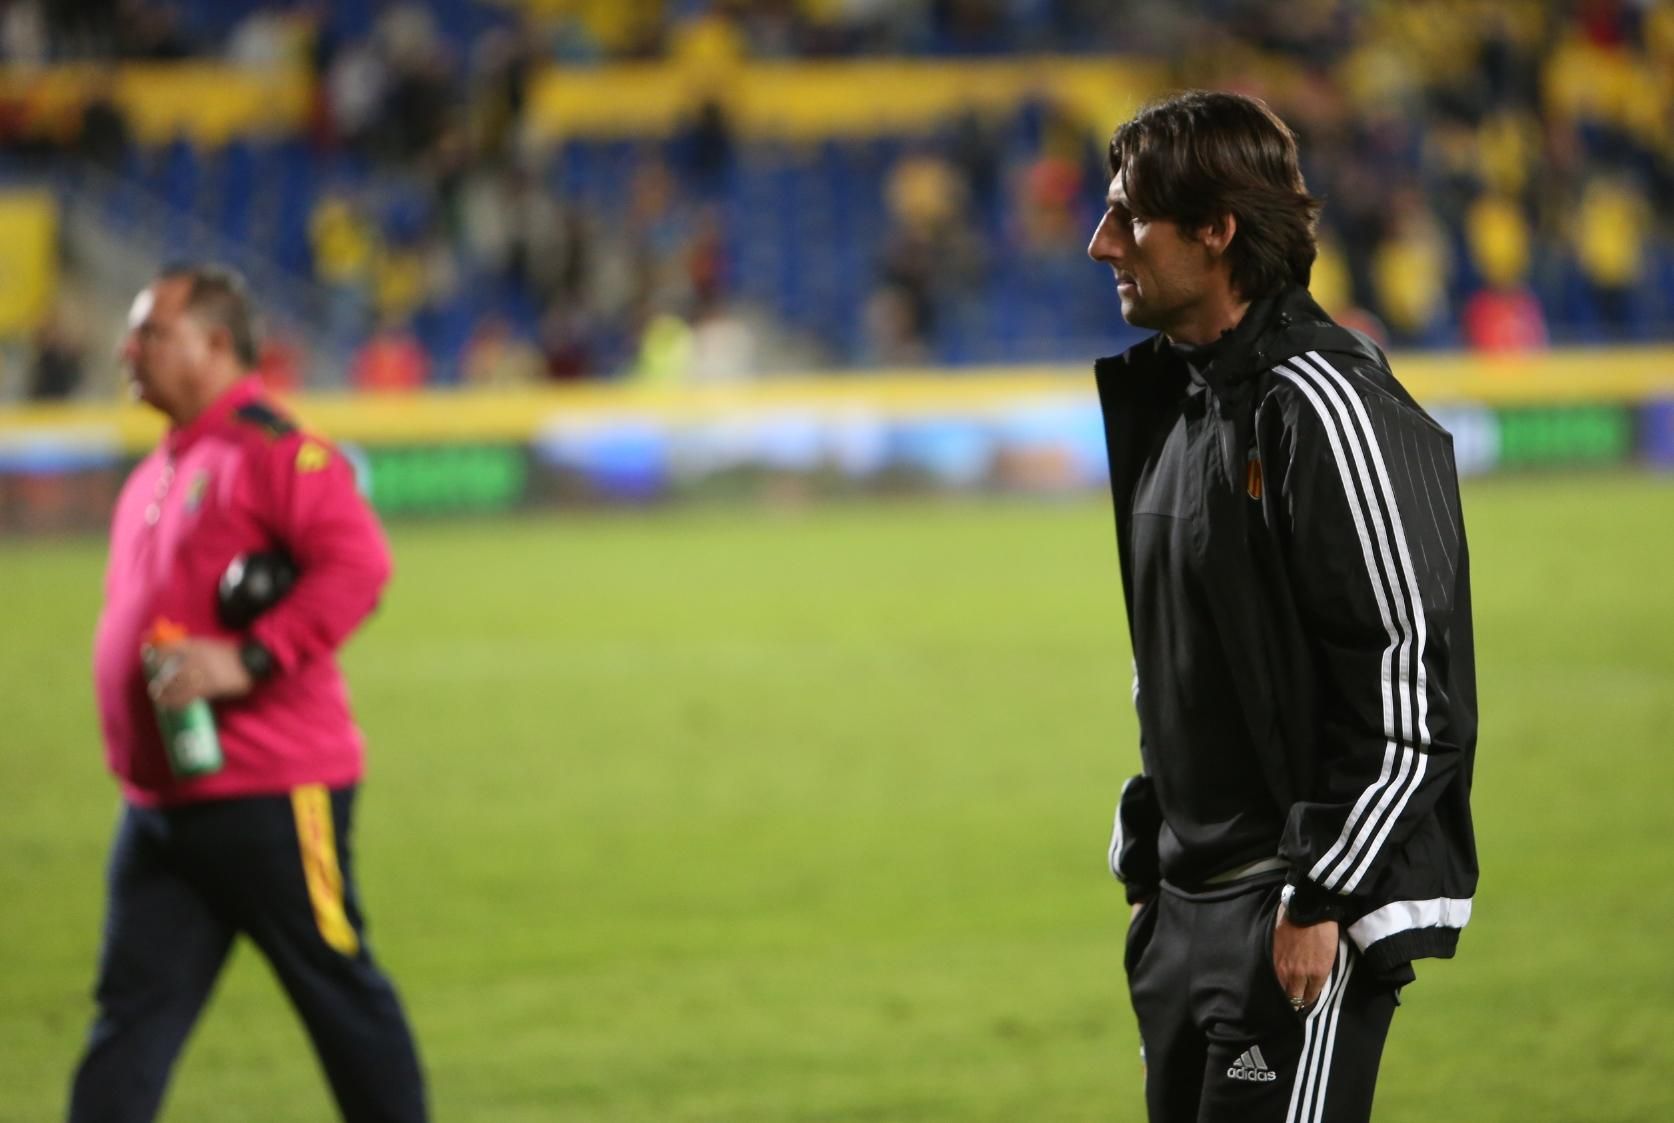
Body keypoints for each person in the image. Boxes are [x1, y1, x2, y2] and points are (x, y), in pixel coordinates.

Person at [1086, 92, 1477, 1123]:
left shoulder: (1325, 404)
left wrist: (1321, 894)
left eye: (1129, 217)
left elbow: (1409, 683)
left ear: (1217, 229)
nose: (1099, 243)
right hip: (1184, 916)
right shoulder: (1177, 403)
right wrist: (1152, 844)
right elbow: (1183, 651)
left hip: (1288, 919)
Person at [70, 264, 428, 1122]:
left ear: (217, 344)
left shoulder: (275, 450)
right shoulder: (163, 464)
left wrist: (249, 658)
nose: (129, 349)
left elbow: (360, 565)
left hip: (273, 787)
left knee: (338, 992)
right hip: (161, 800)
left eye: (151, 332)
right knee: (130, 1021)